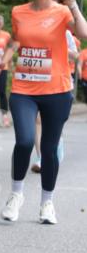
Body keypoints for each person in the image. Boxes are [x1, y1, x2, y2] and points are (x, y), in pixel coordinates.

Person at [0, 0, 87, 225]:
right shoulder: (18, 12)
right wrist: (5, 59)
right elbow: (17, 39)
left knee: (48, 149)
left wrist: (72, 4)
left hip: (56, 90)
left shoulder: (62, 12)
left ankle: (47, 203)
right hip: (23, 89)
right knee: (25, 141)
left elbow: (83, 33)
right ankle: (16, 195)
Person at [31, 29, 78, 172]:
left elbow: (75, 56)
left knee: (53, 122)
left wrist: (58, 47)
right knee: (37, 119)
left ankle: (58, 143)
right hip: (38, 79)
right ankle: (41, 159)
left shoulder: (66, 33)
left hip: (59, 83)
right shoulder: (34, 29)